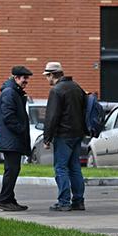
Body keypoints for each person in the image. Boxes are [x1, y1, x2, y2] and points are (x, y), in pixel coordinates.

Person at [41, 61, 88, 212]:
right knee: (75, 168)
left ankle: (64, 202)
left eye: (47, 76)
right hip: (77, 134)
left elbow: (52, 116)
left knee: (61, 168)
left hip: (63, 135)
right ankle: (79, 201)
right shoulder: (76, 87)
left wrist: (47, 138)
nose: (46, 79)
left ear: (52, 75)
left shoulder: (57, 90)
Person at [0, 66, 33, 211]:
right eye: (24, 78)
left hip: (12, 139)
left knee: (12, 170)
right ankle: (4, 200)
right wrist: (21, 129)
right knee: (12, 170)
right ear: (16, 78)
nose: (26, 81)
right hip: (11, 139)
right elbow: (8, 116)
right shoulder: (10, 92)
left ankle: (9, 198)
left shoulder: (13, 92)